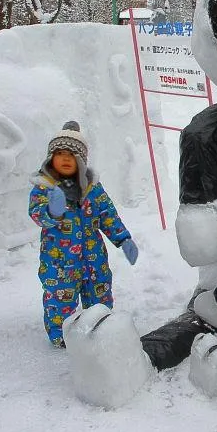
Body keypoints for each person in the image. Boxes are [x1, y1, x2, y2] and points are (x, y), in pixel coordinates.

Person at [29, 121, 138, 347]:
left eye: (72, 154)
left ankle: (101, 327)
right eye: (59, 153)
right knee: (60, 298)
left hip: (94, 257)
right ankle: (61, 336)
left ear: (81, 160)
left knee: (99, 294)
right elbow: (36, 213)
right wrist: (51, 211)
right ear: (50, 158)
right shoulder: (44, 187)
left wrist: (123, 238)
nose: (66, 158)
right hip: (59, 261)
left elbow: (108, 214)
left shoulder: (92, 188)